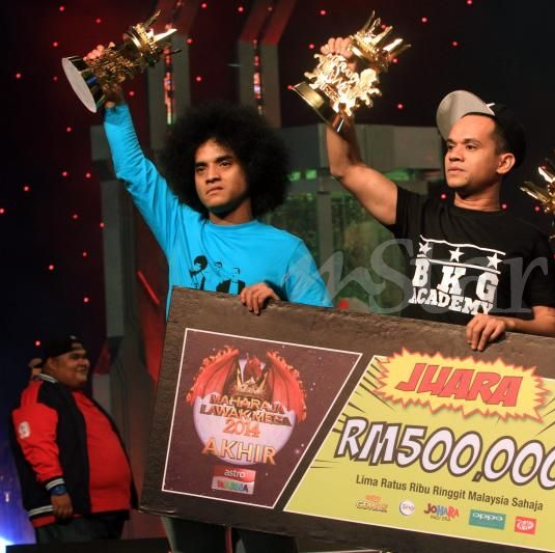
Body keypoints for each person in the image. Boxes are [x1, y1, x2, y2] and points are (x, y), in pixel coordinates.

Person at [86, 43, 332, 553]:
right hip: (189, 427)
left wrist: (280, 305)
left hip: (264, 432)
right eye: (200, 168)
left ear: (253, 167)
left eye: (224, 162)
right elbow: (133, 171)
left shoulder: (286, 249)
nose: (212, 175)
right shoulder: (182, 228)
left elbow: (326, 332)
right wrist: (115, 103)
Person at [322, 38, 555, 349]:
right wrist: (341, 89)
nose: (454, 155)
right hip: (412, 371)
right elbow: (345, 167)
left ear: (503, 163)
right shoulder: (418, 214)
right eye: (451, 146)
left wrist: (508, 323)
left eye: (471, 146)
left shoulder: (527, 239)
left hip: (484, 375)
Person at [10, 335, 136, 544]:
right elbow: (37, 444)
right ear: (52, 363)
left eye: (85, 357)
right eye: (74, 357)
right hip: (69, 513)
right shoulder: (41, 394)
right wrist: (57, 488)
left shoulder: (75, 396)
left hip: (105, 510)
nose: (83, 362)